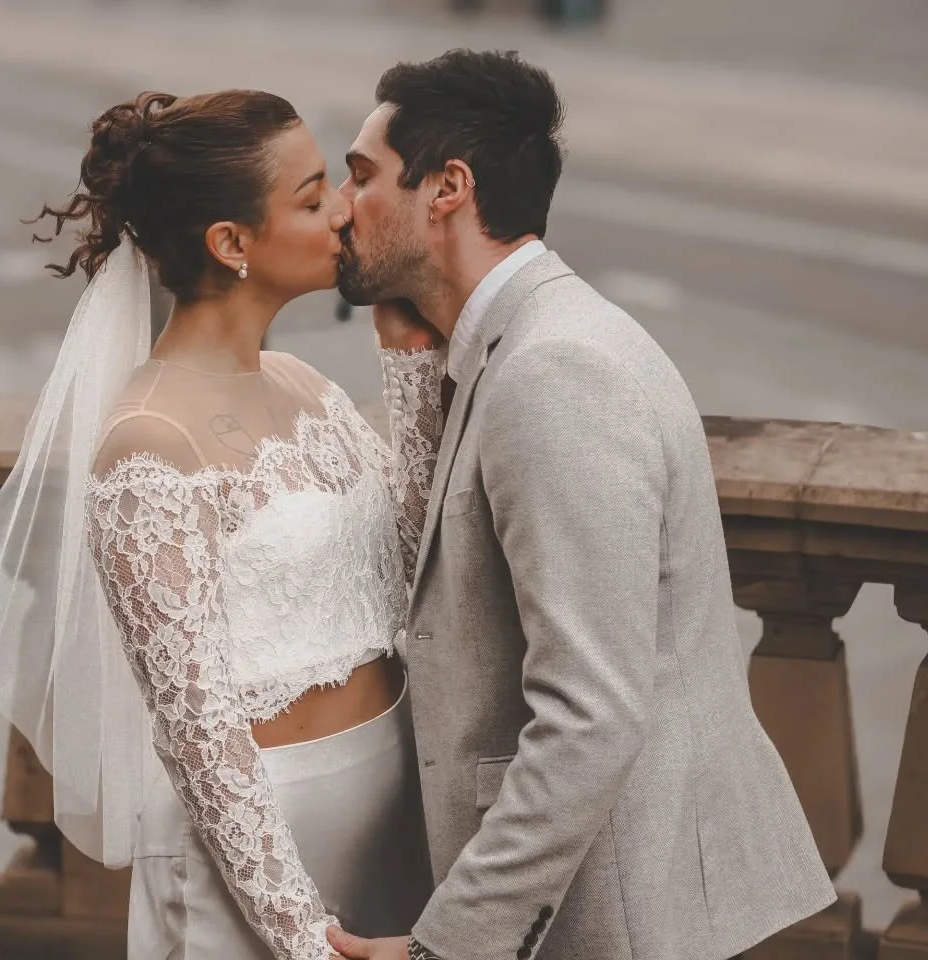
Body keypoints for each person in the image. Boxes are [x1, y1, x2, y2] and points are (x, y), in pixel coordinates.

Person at [324, 50, 835, 960]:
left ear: (447, 188)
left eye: (361, 175)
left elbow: (590, 715)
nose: (339, 205)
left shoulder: (554, 373)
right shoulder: (519, 342)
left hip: (612, 911)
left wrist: (450, 947)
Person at [0, 89, 442, 960]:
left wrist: (407, 355)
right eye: (312, 199)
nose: (344, 211)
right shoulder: (149, 442)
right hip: (266, 848)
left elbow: (415, 568)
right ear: (231, 243)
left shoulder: (306, 386)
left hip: (392, 809)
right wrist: (303, 939)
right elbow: (199, 731)